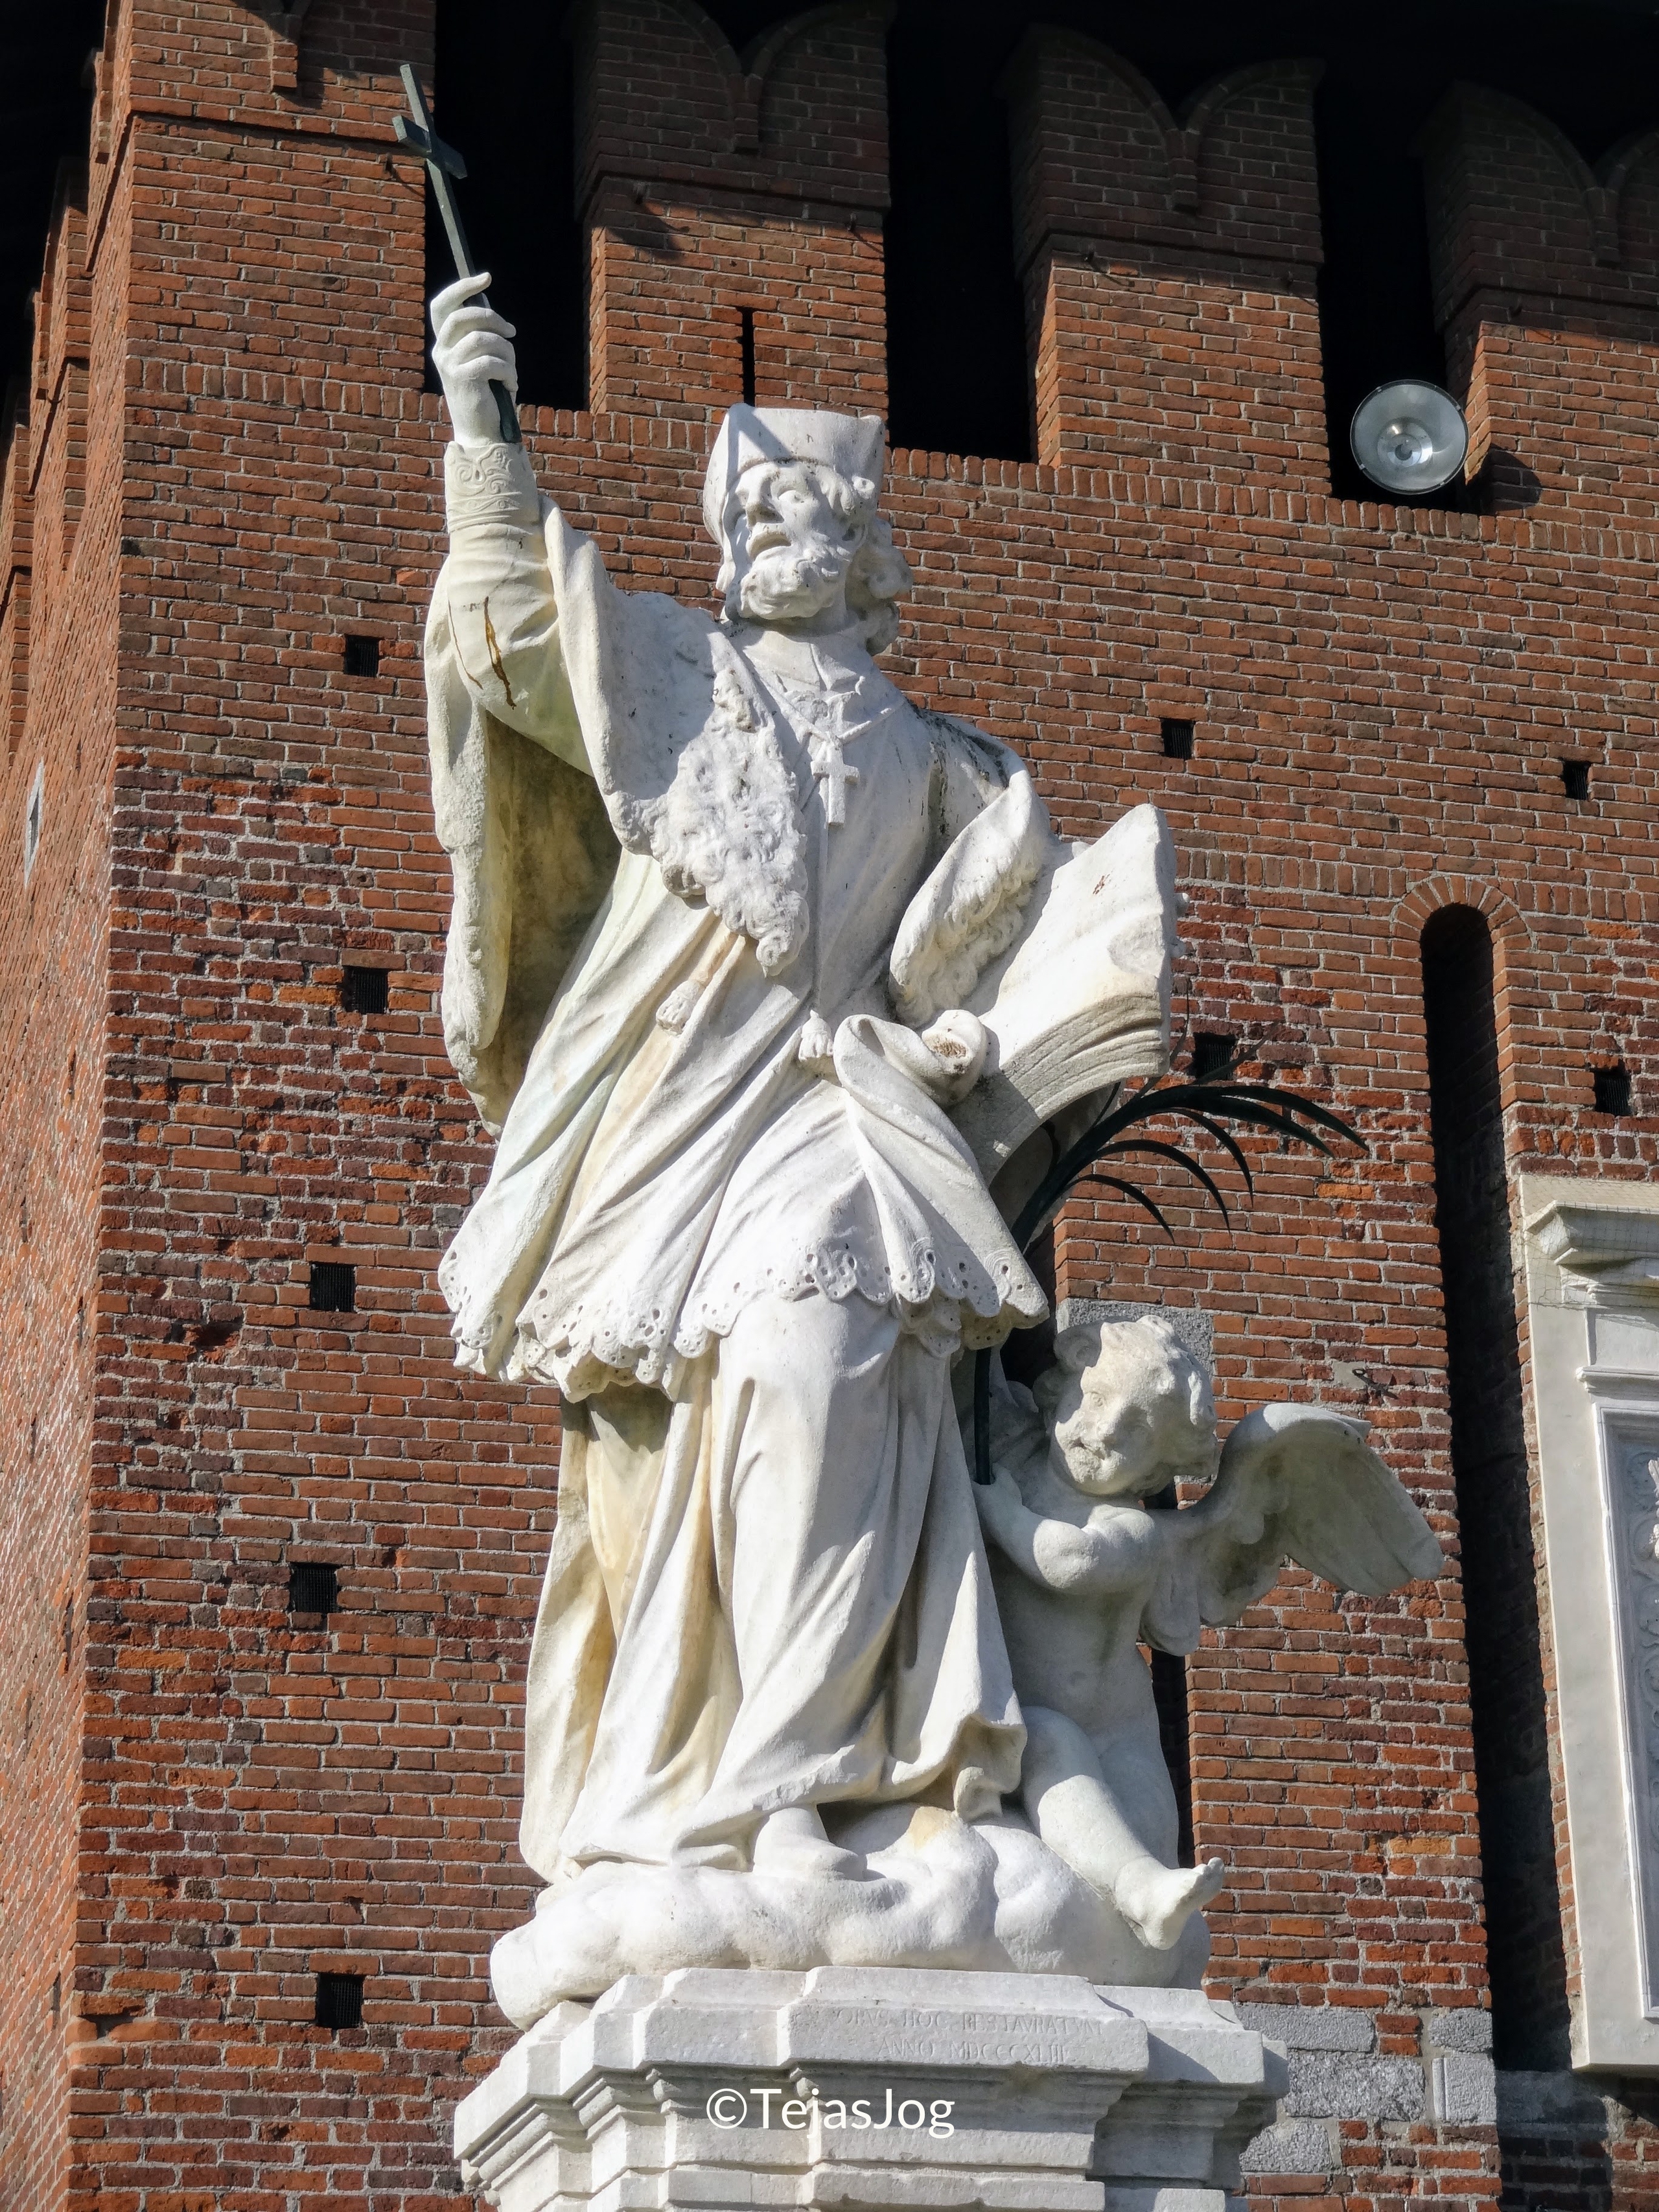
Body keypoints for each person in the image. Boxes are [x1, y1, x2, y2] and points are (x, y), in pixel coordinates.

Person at [421, 274, 1053, 1907]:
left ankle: (806, 1780)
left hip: (846, 1112)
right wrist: (483, 421)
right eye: (755, 510)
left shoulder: (958, 766)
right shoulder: (673, 676)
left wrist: (983, 1029)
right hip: (662, 1131)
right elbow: (503, 641)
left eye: (811, 509)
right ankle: (695, 1782)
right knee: (667, 1458)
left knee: (822, 1364)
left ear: (867, 550)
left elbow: (982, 965)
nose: (780, 530)